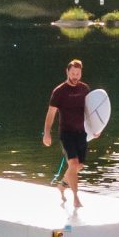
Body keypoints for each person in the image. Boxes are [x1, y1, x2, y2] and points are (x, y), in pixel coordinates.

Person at [43, 58, 92, 221]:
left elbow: (90, 111)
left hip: (81, 132)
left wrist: (95, 129)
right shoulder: (59, 91)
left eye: (78, 73)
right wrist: (47, 133)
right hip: (67, 133)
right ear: (67, 72)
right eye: (73, 73)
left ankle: (62, 185)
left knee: (79, 166)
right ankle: (76, 197)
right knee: (73, 163)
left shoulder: (85, 89)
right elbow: (51, 113)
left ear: (81, 73)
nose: (75, 76)